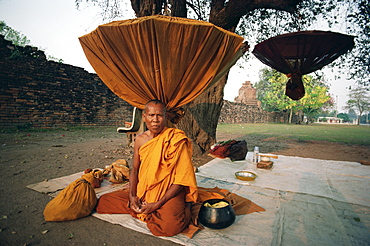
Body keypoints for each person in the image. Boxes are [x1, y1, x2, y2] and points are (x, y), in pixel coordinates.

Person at [96, 99, 198, 237]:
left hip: (170, 191)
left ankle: (186, 205)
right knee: (103, 202)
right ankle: (147, 208)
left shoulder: (176, 139)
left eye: (159, 115)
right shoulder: (140, 139)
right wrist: (132, 196)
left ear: (165, 117)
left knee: (169, 227)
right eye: (151, 115)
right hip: (145, 188)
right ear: (144, 117)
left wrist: (157, 204)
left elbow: (181, 178)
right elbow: (135, 169)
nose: (155, 120)